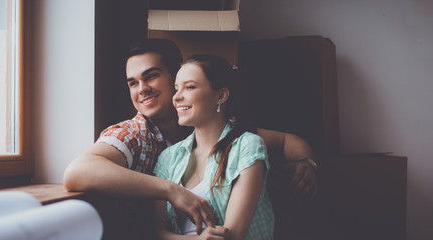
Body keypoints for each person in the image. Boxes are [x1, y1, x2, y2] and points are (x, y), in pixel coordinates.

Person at [63, 39, 318, 237]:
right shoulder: (135, 133)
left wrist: (306, 163)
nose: (142, 89)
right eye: (133, 83)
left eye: (151, 75)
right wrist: (171, 190)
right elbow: (77, 172)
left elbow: (287, 141)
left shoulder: (216, 129)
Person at [154, 54, 273, 240]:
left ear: (221, 95)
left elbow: (233, 235)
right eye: (176, 89)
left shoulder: (247, 146)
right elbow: (156, 233)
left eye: (190, 87)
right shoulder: (168, 158)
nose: (177, 97)